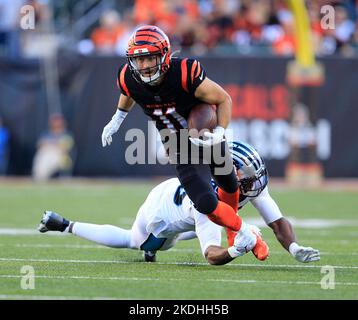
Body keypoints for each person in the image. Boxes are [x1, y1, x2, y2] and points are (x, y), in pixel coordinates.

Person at [101, 25, 244, 241]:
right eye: (139, 60)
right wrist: (117, 118)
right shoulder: (127, 76)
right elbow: (127, 91)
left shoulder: (184, 72)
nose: (145, 65)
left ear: (165, 55)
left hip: (202, 131)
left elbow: (224, 98)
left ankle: (234, 235)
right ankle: (246, 231)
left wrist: (221, 131)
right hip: (175, 142)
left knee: (229, 183)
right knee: (205, 202)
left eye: (150, 58)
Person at [38, 166, 269, 265]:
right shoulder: (206, 210)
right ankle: (65, 225)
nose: (244, 184)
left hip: (166, 190)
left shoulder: (209, 174)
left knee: (196, 225)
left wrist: (241, 228)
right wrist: (235, 250)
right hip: (159, 219)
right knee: (134, 241)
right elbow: (211, 255)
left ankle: (65, 224)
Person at [32, 113, 75, 182]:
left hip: (61, 157)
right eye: (54, 121)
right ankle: (39, 180)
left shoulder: (66, 134)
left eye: (57, 121)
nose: (56, 123)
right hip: (46, 155)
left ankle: (41, 179)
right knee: (42, 157)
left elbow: (66, 148)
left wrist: (51, 145)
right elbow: (39, 145)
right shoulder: (46, 134)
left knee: (49, 156)